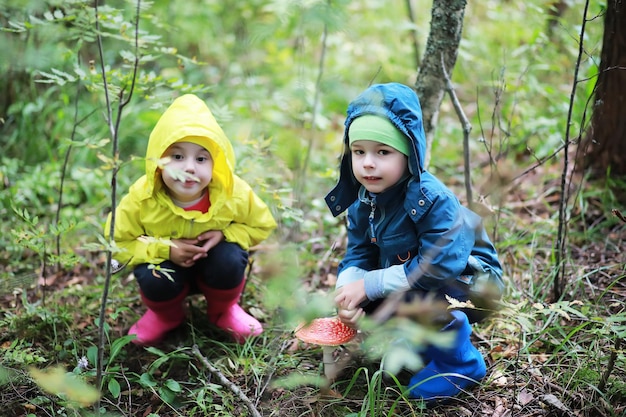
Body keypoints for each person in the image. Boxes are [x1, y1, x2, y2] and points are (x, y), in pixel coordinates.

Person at [324, 83, 504, 401]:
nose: (368, 163)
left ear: (408, 153)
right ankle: (416, 343)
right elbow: (359, 252)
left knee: (404, 292)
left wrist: (370, 284)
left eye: (383, 152)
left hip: (467, 281)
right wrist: (348, 291)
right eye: (359, 151)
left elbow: (439, 266)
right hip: (412, 276)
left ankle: (460, 363)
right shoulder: (362, 200)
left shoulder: (432, 200)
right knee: (372, 293)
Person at [105, 94, 277, 346]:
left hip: (213, 266)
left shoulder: (232, 193)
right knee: (153, 274)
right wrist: (165, 248)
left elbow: (262, 224)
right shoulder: (143, 198)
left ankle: (222, 311)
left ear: (215, 163)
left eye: (201, 158)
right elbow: (116, 241)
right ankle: (166, 316)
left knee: (229, 257)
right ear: (158, 160)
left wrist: (224, 234)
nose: (189, 168)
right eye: (176, 157)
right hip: (169, 270)